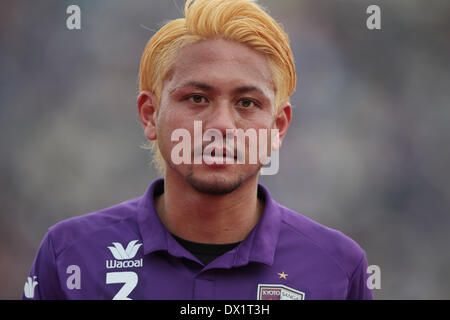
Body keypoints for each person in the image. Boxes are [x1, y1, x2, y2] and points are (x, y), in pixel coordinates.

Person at [23, 0, 372, 300]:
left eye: (247, 102)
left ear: (278, 127)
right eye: (197, 98)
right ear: (150, 115)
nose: (221, 125)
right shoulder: (69, 254)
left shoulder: (338, 268)